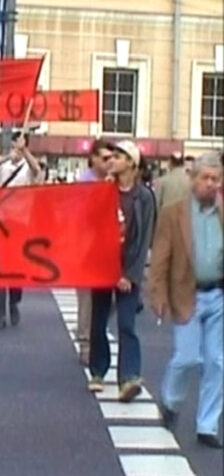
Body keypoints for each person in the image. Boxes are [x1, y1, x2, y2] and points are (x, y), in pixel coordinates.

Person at [150, 152, 223, 449]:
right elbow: (160, 259)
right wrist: (157, 293)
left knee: (218, 362)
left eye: (215, 179)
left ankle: (208, 424)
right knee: (187, 357)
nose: (210, 184)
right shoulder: (174, 213)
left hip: (218, 294)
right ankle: (170, 400)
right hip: (186, 294)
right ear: (193, 179)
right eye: (205, 178)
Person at [88, 140, 155, 402]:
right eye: (111, 156)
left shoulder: (144, 197)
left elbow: (144, 238)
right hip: (103, 265)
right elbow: (90, 225)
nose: (111, 160)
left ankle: (129, 377)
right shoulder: (104, 190)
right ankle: (98, 370)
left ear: (131, 163)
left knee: (127, 323)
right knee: (98, 321)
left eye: (118, 156)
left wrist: (130, 274)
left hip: (128, 269)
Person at [0, 130, 41, 329]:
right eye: (15, 143)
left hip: (19, 223)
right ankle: (0, 314)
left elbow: (37, 172)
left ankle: (14, 301)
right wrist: (9, 156)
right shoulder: (1, 163)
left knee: (16, 269)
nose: (17, 146)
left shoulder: (28, 166)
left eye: (21, 143)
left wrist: (25, 153)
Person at [75, 139, 114, 364]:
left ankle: (94, 332)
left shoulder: (115, 181)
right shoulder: (86, 181)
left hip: (109, 249)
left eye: (112, 158)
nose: (109, 162)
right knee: (86, 298)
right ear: (94, 159)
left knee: (110, 299)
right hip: (87, 247)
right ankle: (86, 342)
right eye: (105, 158)